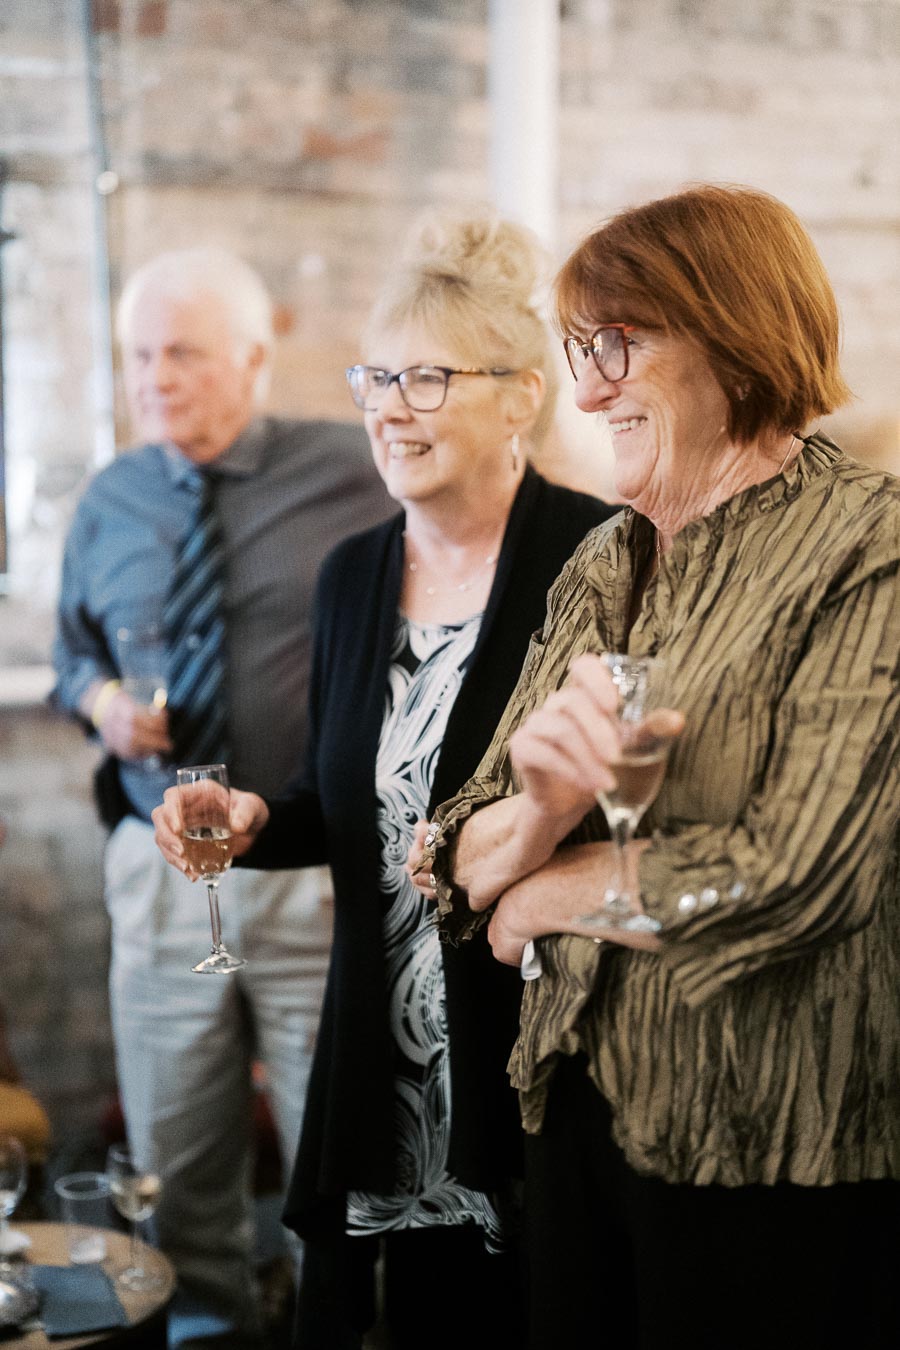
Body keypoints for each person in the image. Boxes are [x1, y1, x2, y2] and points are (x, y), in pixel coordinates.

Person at [419, 185, 900, 1350]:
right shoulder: (604, 557)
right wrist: (537, 814)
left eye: (618, 344)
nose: (586, 389)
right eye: (584, 347)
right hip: (577, 1111)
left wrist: (542, 893)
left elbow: (799, 875)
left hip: (771, 1147)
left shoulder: (869, 543)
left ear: (734, 335)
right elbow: (447, 851)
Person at [152, 211, 615, 1349]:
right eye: (376, 377)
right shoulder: (353, 573)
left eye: (425, 377)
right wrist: (257, 817)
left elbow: (613, 803)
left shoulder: (595, 557)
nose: (387, 407)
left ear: (520, 398)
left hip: (525, 1047)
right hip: (381, 1050)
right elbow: (339, 802)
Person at [52, 246, 394, 1349]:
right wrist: (101, 700)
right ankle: (205, 1331)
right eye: (140, 355)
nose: (156, 377)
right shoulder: (111, 498)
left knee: (334, 1154)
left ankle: (331, 1324)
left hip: (310, 874)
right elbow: (71, 656)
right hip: (158, 872)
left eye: (183, 352)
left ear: (253, 358)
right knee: (176, 1152)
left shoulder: (352, 467)